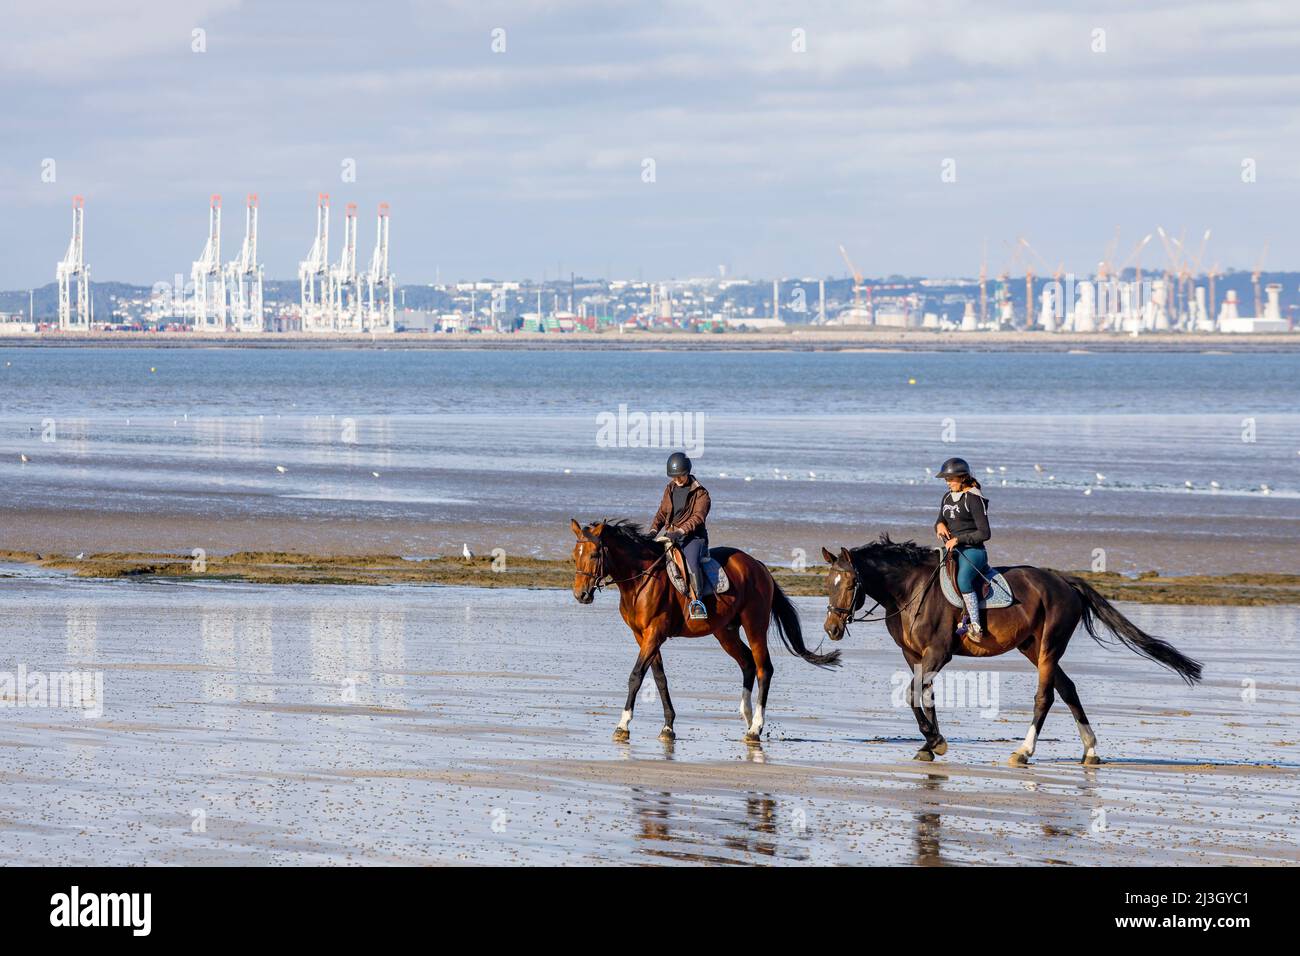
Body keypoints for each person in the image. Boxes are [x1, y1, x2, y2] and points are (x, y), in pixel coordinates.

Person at [933, 456, 992, 642]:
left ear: (962, 477)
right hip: (953, 550)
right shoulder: (948, 496)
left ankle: (975, 624)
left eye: (950, 479)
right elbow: (941, 518)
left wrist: (958, 539)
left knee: (963, 580)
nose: (948, 483)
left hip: (973, 551)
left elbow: (985, 533)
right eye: (946, 480)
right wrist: (939, 525)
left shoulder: (974, 498)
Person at [648, 452, 711, 620]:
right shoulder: (670, 488)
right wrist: (653, 531)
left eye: (680, 477)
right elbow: (662, 513)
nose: (677, 480)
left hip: (693, 538)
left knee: (691, 564)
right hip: (671, 535)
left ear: (687, 472)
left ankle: (698, 601)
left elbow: (698, 518)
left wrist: (680, 532)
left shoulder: (701, 493)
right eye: (674, 477)